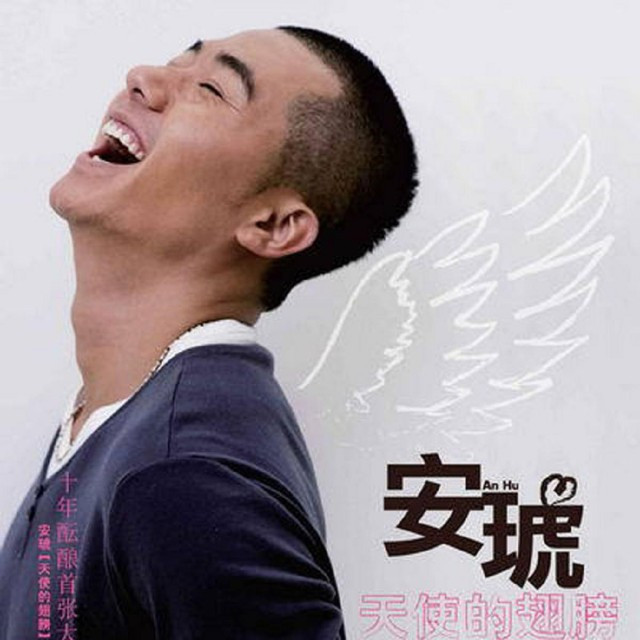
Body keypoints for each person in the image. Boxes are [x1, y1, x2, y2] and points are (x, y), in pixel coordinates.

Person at [0, 25, 418, 639]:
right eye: (178, 61)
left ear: (273, 225)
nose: (143, 78)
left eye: (212, 90)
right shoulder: (127, 416)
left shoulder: (187, 475)